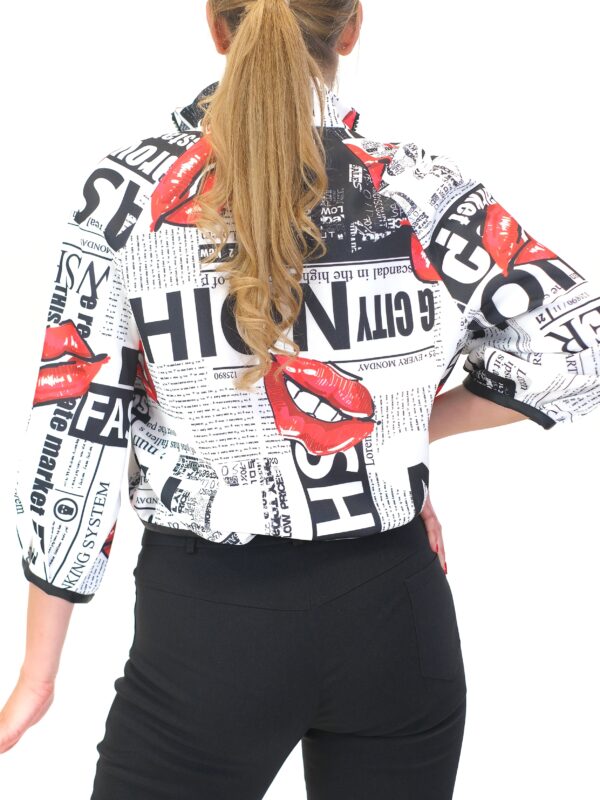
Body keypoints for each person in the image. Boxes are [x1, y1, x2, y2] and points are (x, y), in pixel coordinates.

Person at [1, 1, 599, 798]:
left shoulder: (131, 195)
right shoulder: (419, 187)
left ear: (217, 26)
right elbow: (576, 347)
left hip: (210, 632)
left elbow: (78, 424)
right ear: (351, 28)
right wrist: (398, 431)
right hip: (398, 615)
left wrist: (38, 673)